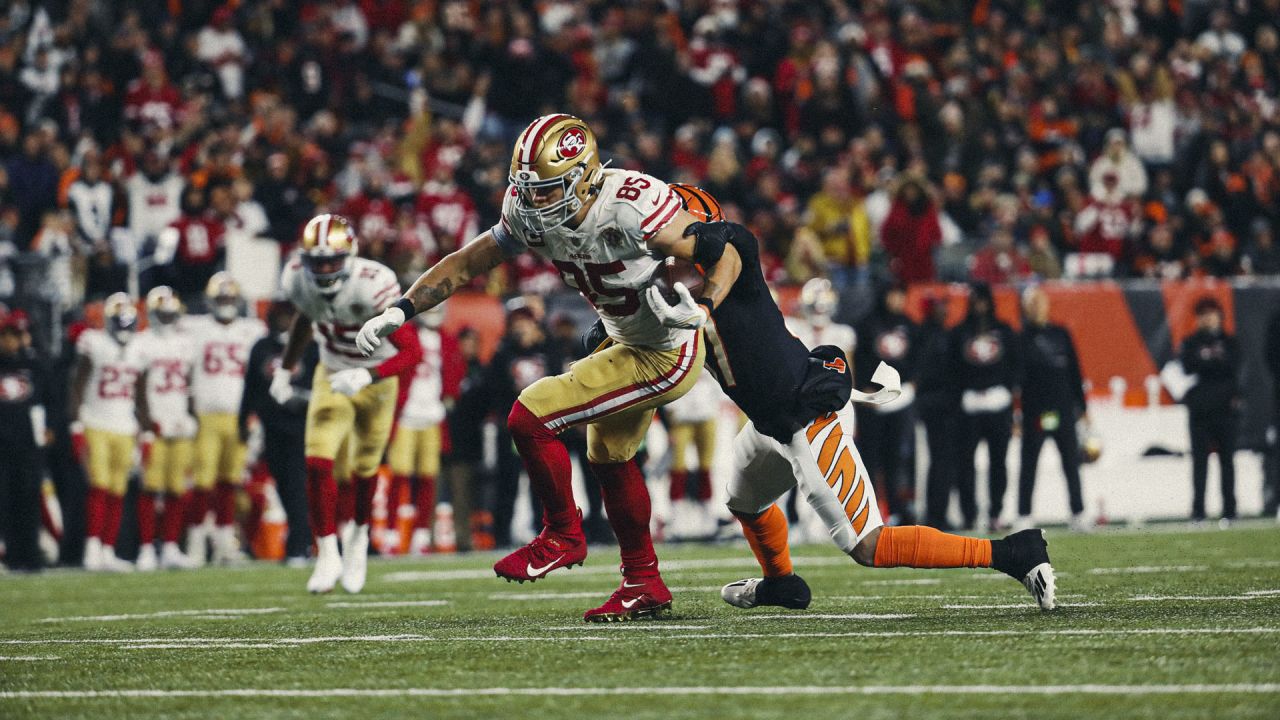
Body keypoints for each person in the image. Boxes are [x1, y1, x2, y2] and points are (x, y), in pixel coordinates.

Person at [358, 114, 741, 622]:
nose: (535, 202)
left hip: (666, 348)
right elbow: (467, 262)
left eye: (549, 189)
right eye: (528, 189)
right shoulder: (531, 209)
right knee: (609, 455)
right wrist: (400, 308)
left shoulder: (631, 205)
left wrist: (705, 303)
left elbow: (728, 251)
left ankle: (563, 533)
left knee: (530, 415)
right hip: (624, 340)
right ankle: (642, 581)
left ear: (583, 177)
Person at [634, 191, 1054, 611]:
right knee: (744, 502)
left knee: (868, 544)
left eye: (671, 221)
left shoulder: (734, 254)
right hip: (767, 424)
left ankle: (1013, 552)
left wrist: (703, 306)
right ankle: (780, 582)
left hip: (807, 417)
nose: (662, 233)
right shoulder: (668, 285)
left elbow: (733, 247)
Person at [276, 213, 423, 593]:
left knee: (364, 470)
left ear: (351, 255)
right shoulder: (296, 278)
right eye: (317, 262)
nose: (324, 269)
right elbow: (305, 319)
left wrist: (368, 375)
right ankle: (326, 550)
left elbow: (412, 352)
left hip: (378, 378)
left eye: (331, 261)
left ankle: (358, 540)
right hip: (332, 373)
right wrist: (285, 368)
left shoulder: (373, 284)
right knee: (317, 460)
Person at [185, 273, 265, 566]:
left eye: (230, 298)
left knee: (230, 483)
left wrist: (255, 416)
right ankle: (195, 544)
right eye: (221, 299)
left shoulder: (251, 330)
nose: (226, 303)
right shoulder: (196, 329)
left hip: (239, 415)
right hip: (206, 415)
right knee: (203, 483)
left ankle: (223, 543)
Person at [70, 292, 143, 572]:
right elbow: (77, 384)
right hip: (96, 422)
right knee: (98, 487)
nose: (124, 329)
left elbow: (140, 393)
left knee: (117, 490)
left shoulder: (139, 349)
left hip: (124, 425)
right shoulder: (94, 343)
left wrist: (143, 431)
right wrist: (76, 425)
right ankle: (92, 548)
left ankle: (108, 549)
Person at [482, 301, 563, 549]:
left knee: (543, 483)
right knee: (508, 482)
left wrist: (541, 343)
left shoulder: (548, 347)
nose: (521, 326)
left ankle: (545, 533)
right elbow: (493, 387)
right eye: (516, 321)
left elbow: (560, 381)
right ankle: (501, 535)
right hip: (512, 427)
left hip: (542, 428)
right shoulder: (502, 351)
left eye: (525, 320)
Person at [240, 297, 313, 565]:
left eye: (288, 315)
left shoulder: (310, 346)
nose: (283, 321)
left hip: (299, 427)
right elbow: (250, 387)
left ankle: (299, 543)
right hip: (271, 427)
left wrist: (301, 397)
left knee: (296, 487)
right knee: (282, 485)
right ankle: (298, 539)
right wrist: (242, 420)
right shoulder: (262, 347)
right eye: (280, 315)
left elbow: (322, 384)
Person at [131, 286, 198, 571]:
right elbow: (136, 383)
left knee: (176, 489)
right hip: (154, 424)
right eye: (162, 313)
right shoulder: (141, 342)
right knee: (149, 488)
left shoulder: (186, 343)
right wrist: (146, 420)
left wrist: (190, 414)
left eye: (171, 313)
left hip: (179, 421)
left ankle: (170, 546)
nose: (167, 318)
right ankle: (147, 548)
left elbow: (190, 382)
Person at [387, 303, 462, 556]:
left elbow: (455, 370)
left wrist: (449, 394)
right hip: (407, 413)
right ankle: (391, 531)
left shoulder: (447, 340)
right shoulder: (405, 334)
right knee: (399, 474)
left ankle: (420, 533)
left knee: (428, 476)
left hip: (432, 413)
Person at [1015, 288, 1089, 532]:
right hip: (1035, 412)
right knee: (1029, 463)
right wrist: (1016, 415)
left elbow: (1074, 371)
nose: (1036, 307)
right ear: (1025, 308)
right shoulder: (1022, 338)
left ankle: (1078, 512)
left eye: (1040, 302)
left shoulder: (1061, 334)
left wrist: (1083, 406)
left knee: (1071, 462)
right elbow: (1016, 380)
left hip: (1063, 409)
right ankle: (1024, 514)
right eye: (1031, 303)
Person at [951, 282, 1019, 531]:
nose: (980, 306)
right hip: (969, 403)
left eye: (983, 300)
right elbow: (953, 370)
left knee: (998, 463)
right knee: (965, 463)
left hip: (997, 400)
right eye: (976, 301)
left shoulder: (1003, 330)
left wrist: (1010, 397)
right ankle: (969, 515)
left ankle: (995, 513)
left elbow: (1014, 365)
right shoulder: (959, 333)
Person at [854, 282, 920, 525]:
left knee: (896, 459)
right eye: (893, 294)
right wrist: (864, 390)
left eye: (901, 294)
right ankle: (869, 511)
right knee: (870, 458)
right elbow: (859, 359)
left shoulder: (910, 325)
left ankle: (894, 509)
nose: (897, 300)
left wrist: (912, 383)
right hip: (872, 402)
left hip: (900, 402)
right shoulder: (867, 325)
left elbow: (917, 360)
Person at [1179, 297, 1239, 525]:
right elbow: (1188, 365)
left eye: (1211, 313)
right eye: (1202, 314)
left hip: (1225, 410)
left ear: (1219, 315)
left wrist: (1208, 362)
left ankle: (1230, 510)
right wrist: (1214, 362)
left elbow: (1232, 366)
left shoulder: (1230, 342)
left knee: (1227, 462)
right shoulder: (1191, 341)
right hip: (1200, 410)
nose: (1207, 318)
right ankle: (1198, 511)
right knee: (1200, 463)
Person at [0, 309, 51, 572]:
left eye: (18, 335)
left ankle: (30, 554)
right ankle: (12, 554)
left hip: (28, 444)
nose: (12, 341)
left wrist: (49, 427)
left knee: (29, 499)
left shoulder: (33, 364)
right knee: (5, 501)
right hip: (2, 445)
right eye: (8, 335)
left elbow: (48, 395)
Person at [915, 293, 960, 529]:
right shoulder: (932, 335)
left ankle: (937, 512)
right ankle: (935, 513)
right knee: (941, 462)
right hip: (937, 405)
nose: (945, 310)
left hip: (938, 404)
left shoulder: (932, 334)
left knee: (941, 462)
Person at [663, 372, 722, 539]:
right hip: (681, 419)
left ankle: (708, 521)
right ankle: (676, 523)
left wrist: (712, 404)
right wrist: (671, 413)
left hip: (706, 416)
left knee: (706, 468)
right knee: (677, 469)